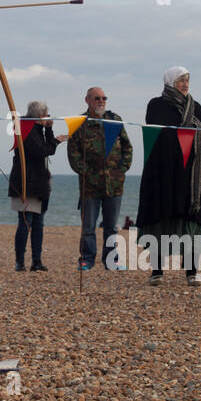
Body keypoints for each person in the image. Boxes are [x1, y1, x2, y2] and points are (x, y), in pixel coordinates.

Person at [136, 66, 201, 286]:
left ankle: (191, 272)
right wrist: (183, 132)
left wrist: (188, 133)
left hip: (189, 174)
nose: (185, 84)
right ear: (169, 82)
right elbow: (158, 133)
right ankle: (157, 271)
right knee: (161, 219)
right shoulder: (156, 104)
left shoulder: (195, 107)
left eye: (187, 80)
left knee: (190, 222)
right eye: (180, 80)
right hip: (162, 171)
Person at [67, 86, 133, 270]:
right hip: (90, 186)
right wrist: (86, 173)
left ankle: (111, 260)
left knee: (111, 227)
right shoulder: (79, 123)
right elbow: (73, 154)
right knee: (88, 227)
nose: (101, 101)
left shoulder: (115, 120)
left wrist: (122, 170)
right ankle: (87, 259)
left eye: (104, 98)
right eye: (97, 98)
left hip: (114, 185)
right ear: (87, 100)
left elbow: (128, 148)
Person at [8, 101, 67, 271]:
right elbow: (41, 151)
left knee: (39, 223)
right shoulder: (26, 129)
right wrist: (55, 140)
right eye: (46, 115)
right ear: (39, 116)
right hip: (27, 182)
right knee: (25, 222)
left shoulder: (36, 129)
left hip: (39, 183)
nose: (49, 117)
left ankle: (36, 261)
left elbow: (47, 149)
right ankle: (20, 262)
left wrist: (48, 130)